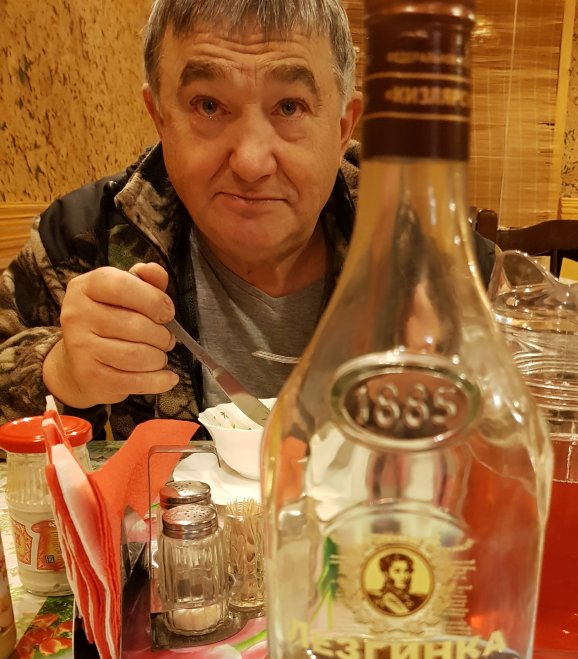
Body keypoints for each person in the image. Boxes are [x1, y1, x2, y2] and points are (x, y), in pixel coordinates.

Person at [0, 0, 495, 439]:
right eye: (209, 106)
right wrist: (57, 371)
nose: (252, 162)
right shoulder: (80, 240)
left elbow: (528, 430)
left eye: (289, 106)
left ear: (343, 126)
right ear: (160, 117)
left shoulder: (435, 257)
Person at [369, 552, 426, 617]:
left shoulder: (414, 598)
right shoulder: (387, 598)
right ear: (386, 574)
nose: (403, 576)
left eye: (406, 571)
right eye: (397, 571)